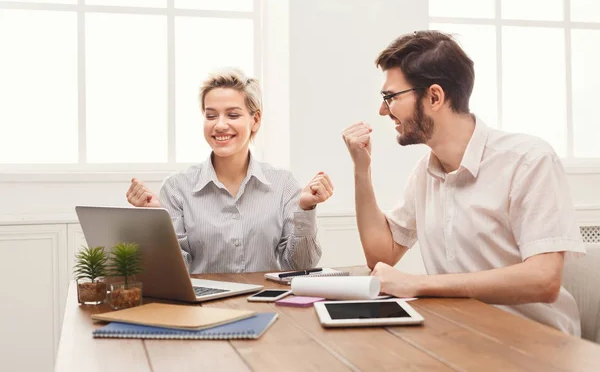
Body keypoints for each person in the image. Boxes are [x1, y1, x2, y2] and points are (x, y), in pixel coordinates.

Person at [342, 30, 585, 335]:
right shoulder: (425, 173)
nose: (382, 110)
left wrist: (419, 284)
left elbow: (544, 280)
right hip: (461, 338)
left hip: (536, 345)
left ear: (434, 96)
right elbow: (382, 255)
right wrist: (361, 170)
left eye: (390, 97)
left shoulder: (528, 160)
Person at [127, 67, 333, 274]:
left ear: (255, 120)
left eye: (233, 115)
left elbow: (300, 266)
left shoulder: (283, 183)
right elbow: (175, 272)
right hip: (203, 304)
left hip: (264, 301)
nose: (220, 125)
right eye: (211, 116)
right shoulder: (176, 188)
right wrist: (155, 221)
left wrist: (306, 209)